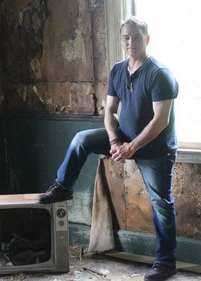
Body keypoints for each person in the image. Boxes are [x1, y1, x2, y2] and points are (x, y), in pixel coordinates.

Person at [37, 16, 178, 281]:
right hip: (124, 138)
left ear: (146, 39)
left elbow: (161, 121)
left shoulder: (159, 74)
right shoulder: (117, 70)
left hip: (155, 147)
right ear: (122, 40)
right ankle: (62, 186)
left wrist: (130, 148)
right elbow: (110, 111)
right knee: (82, 139)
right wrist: (115, 142)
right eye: (126, 37)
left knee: (161, 202)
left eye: (136, 36)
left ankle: (165, 263)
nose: (131, 41)